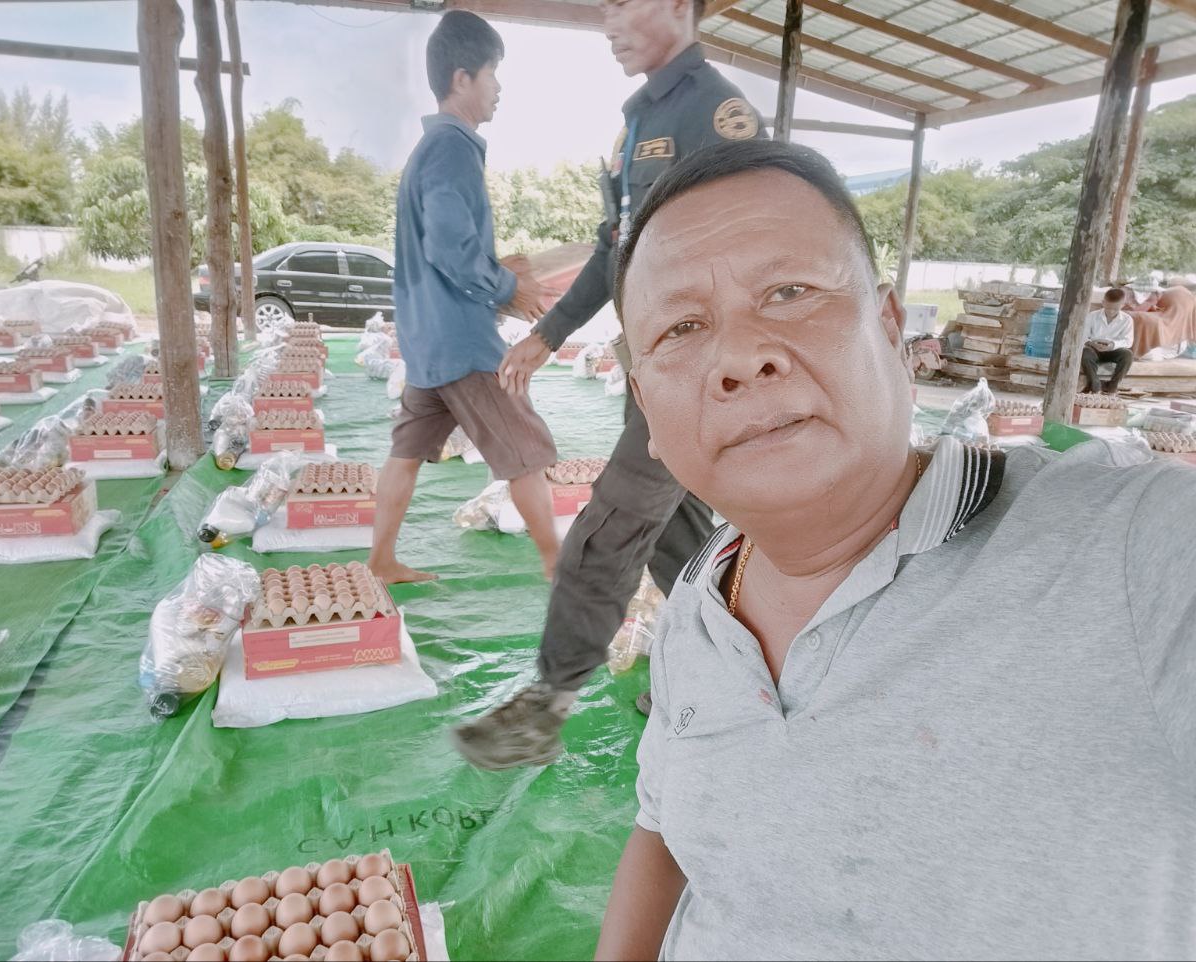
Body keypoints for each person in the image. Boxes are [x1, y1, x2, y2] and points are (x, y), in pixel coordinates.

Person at [596, 138, 1196, 961]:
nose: (739, 355)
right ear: (646, 410)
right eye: (682, 327)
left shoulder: (1132, 553)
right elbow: (661, 830)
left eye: (789, 292)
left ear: (888, 328)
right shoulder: (700, 605)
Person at [451, 0, 766, 770]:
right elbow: (613, 248)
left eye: (628, 4)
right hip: (649, 363)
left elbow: (758, 243)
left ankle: (547, 704)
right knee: (681, 537)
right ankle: (724, 676)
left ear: (681, 8)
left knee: (616, 520)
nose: (611, 22)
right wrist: (549, 332)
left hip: (693, 369)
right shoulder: (638, 123)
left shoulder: (716, 116)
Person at [368, 11, 560, 585]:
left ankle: (381, 560)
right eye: (492, 74)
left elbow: (443, 247)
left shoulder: (429, 151)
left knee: (405, 452)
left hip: (426, 341)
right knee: (525, 451)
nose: (498, 88)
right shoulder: (452, 148)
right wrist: (509, 287)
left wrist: (499, 274)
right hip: (462, 341)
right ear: (461, 79)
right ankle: (558, 567)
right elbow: (451, 247)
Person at [1082, 287, 1134, 393]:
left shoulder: (1127, 319)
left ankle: (1112, 387)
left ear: (1123, 305)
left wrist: (1112, 345)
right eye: (1108, 308)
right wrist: (1092, 343)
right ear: (1103, 303)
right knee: (1085, 352)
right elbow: (1083, 336)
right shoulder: (1092, 316)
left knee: (1128, 354)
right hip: (1093, 349)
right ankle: (1095, 384)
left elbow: (1128, 341)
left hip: (1113, 350)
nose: (1111, 311)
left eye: (1115, 309)